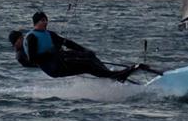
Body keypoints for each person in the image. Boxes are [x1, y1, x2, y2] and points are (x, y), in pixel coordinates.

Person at [8, 11, 141, 81]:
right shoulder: (32, 37)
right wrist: (50, 52)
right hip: (54, 68)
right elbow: (32, 59)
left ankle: (111, 74)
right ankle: (115, 76)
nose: (46, 22)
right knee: (87, 65)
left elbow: (67, 42)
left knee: (88, 56)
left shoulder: (49, 33)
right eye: (43, 20)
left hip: (60, 60)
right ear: (37, 22)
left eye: (46, 19)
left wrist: (84, 49)